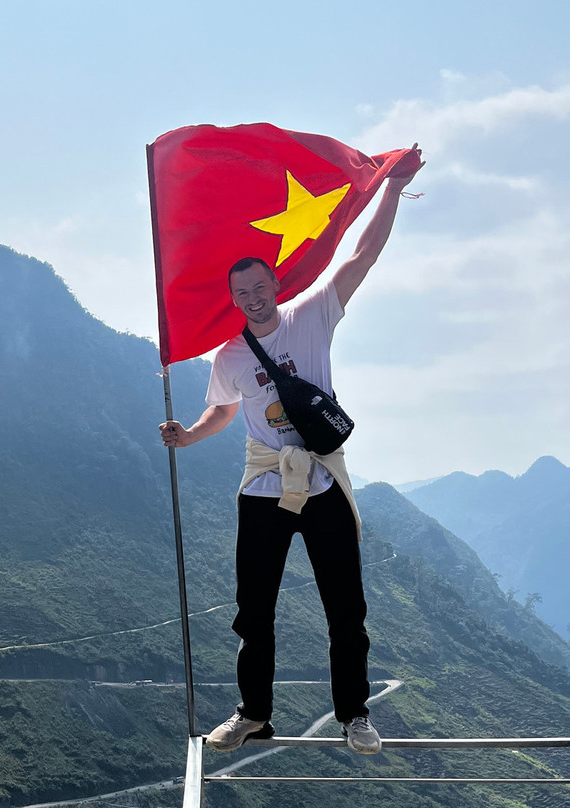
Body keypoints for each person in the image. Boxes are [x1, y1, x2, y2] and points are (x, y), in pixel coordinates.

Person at [159, 147, 423, 755]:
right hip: (264, 486)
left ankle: (354, 715)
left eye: (260, 286)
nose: (253, 297)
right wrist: (188, 436)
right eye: (242, 292)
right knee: (253, 609)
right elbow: (223, 411)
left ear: (276, 283)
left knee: (345, 607)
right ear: (233, 298)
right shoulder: (229, 356)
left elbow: (362, 255)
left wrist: (391, 187)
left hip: (323, 479)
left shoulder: (313, 315)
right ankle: (253, 713)